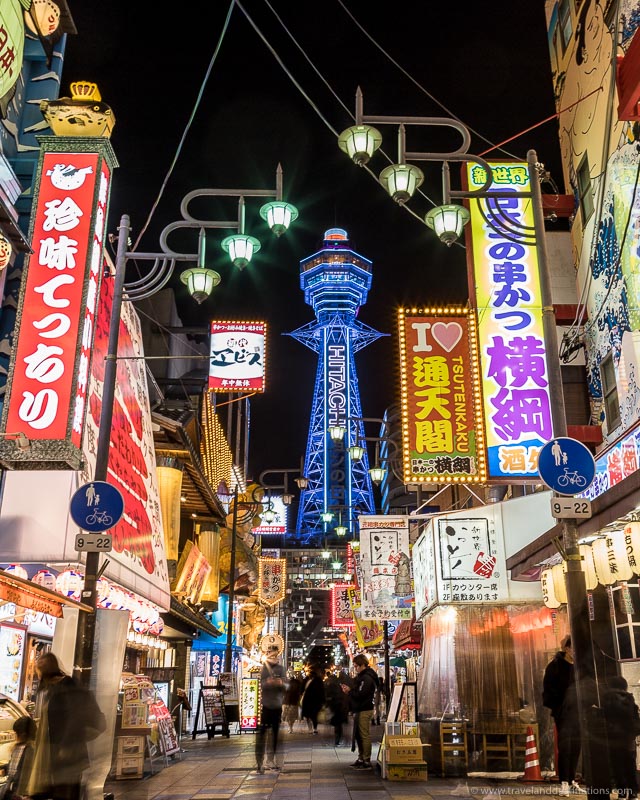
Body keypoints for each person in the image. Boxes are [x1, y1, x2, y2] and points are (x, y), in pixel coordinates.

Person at [27, 652, 106, 800]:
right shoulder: (56, 688)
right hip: (61, 754)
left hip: (67, 755)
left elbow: (74, 718)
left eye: (38, 671)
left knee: (65, 792)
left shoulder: (65, 688)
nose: (37, 675)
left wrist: (66, 746)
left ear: (44, 672)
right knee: (62, 791)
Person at [542, 636, 586, 796]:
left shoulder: (581, 667)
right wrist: (560, 707)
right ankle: (564, 783)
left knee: (576, 747)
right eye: (574, 648)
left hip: (580, 713)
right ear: (567, 649)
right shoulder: (554, 666)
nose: (577, 652)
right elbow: (548, 691)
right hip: (564, 713)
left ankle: (572, 780)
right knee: (565, 747)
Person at [601, 675, 640, 799]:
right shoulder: (629, 698)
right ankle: (633, 793)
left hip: (613, 738)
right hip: (628, 738)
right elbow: (635, 718)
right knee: (630, 765)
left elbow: (605, 717)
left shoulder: (606, 698)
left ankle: (622, 792)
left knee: (617, 766)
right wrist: (634, 733)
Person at [345, 653, 379, 770]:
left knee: (364, 735)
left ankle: (366, 760)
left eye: (356, 666)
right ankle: (361, 758)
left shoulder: (367, 678)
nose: (355, 668)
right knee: (359, 735)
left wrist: (350, 691)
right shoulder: (364, 677)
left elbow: (362, 693)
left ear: (362, 665)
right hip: (361, 708)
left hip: (364, 708)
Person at [255, 645, 286, 773]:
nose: (272, 656)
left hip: (277, 706)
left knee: (275, 734)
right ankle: (260, 763)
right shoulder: (264, 668)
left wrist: (281, 683)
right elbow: (261, 684)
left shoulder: (281, 669)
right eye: (270, 653)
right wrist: (267, 682)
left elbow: (286, 685)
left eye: (274, 654)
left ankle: (271, 760)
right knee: (262, 735)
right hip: (266, 706)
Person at [3, 716, 36, 800]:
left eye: (16, 733)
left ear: (23, 734)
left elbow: (22, 774)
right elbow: (13, 768)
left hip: (19, 794)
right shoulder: (17, 747)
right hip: (13, 791)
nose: (15, 735)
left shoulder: (30, 750)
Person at [324, 671, 349, 746]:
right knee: (338, 724)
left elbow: (328, 695)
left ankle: (337, 740)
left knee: (337, 724)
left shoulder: (331, 685)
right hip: (339, 707)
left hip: (335, 707)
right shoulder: (339, 685)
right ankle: (337, 739)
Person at [300, 664, 325, 734]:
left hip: (313, 700)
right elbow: (302, 689)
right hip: (309, 700)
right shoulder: (307, 680)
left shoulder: (317, 680)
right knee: (309, 715)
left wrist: (322, 700)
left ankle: (314, 728)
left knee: (313, 715)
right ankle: (312, 728)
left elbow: (321, 691)